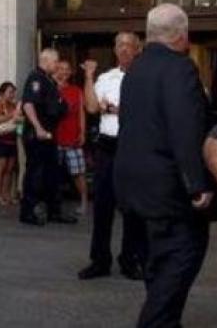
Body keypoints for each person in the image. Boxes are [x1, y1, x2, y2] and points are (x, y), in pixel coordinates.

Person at [114, 4, 213, 327]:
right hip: (169, 193)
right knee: (181, 258)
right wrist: (196, 184)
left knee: (156, 266)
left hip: (133, 189)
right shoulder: (180, 69)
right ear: (182, 36)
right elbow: (184, 129)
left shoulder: (134, 71)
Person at [78, 32, 147, 281]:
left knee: (132, 207)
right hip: (107, 147)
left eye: (130, 45)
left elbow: (145, 111)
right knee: (103, 205)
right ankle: (99, 260)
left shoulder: (146, 76)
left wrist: (118, 109)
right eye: (120, 45)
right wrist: (88, 77)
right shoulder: (106, 78)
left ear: (139, 49)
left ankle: (131, 259)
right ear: (115, 50)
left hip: (134, 147)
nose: (125, 50)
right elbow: (92, 107)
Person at [19, 48, 76, 226]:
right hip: (38, 135)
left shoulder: (49, 80)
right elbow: (28, 104)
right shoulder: (36, 77)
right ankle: (28, 212)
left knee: (52, 174)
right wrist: (38, 128)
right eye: (56, 61)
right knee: (35, 173)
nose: (58, 65)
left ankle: (54, 211)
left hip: (50, 135)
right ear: (47, 60)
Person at [53, 59, 87, 215]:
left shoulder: (76, 90)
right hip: (54, 137)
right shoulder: (50, 88)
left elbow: (81, 113)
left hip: (72, 136)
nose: (64, 72)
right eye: (60, 68)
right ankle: (52, 203)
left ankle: (84, 202)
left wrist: (83, 132)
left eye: (67, 69)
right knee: (53, 172)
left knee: (77, 172)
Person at [0, 81, 20, 205]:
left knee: (9, 169)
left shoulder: (13, 105)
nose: (12, 95)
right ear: (3, 92)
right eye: (10, 92)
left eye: (13, 92)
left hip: (11, 140)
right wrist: (12, 115)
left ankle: (6, 194)